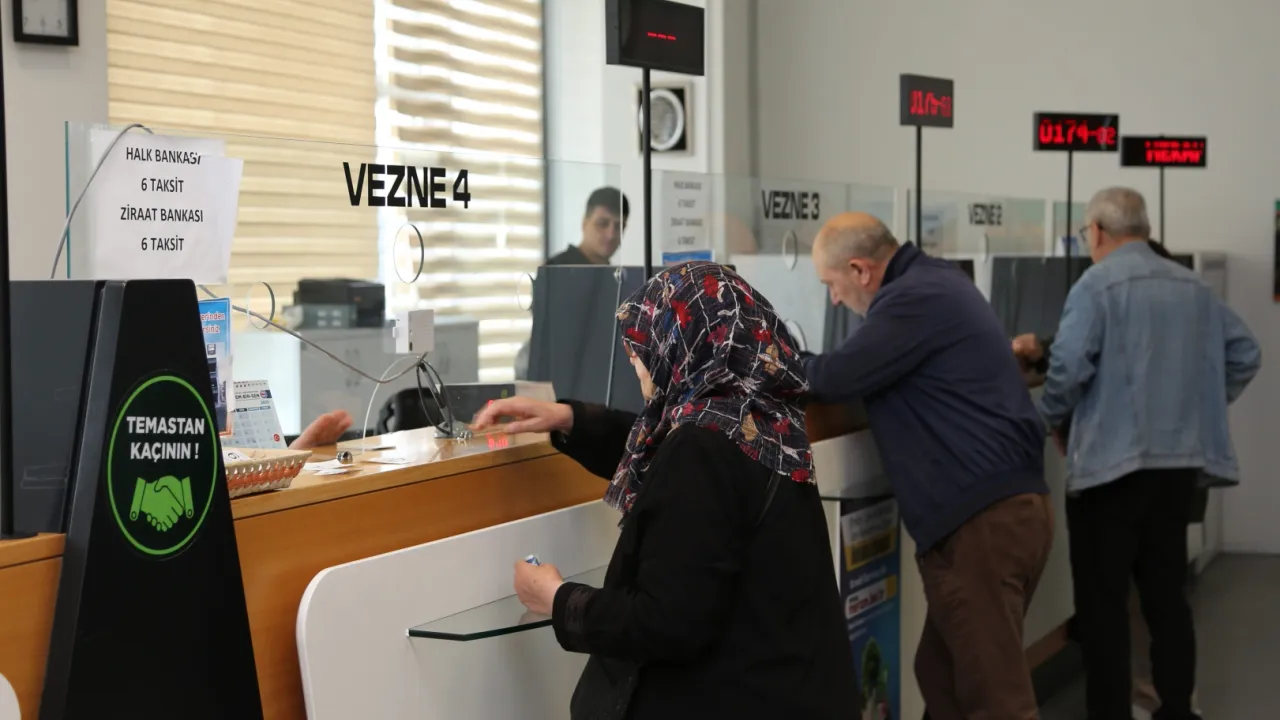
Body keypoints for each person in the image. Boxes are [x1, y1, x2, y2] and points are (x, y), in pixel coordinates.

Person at [473, 262, 856, 719]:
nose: (636, 358)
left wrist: (557, 598)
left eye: (645, 342)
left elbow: (667, 622)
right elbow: (668, 457)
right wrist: (569, 418)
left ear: (686, 340)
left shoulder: (702, 446)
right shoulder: (758, 418)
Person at [1015, 187, 1261, 720]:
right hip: (1178, 472)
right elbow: (1246, 353)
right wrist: (1199, 405)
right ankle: (1177, 709)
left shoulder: (1095, 285)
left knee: (1103, 606)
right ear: (1144, 230)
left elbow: (1068, 371)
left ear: (1098, 231)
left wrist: (1046, 420)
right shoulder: (1193, 286)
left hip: (1109, 473)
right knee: (1166, 597)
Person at [804, 212, 1053, 720]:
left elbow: (834, 376)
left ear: (860, 270)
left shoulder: (911, 300)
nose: (834, 301)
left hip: (982, 525)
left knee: (996, 701)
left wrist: (762, 359)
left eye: (831, 285)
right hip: (1001, 515)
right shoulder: (937, 282)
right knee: (941, 676)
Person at [547, 186, 630, 265]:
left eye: (619, 226)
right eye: (602, 224)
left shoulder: (616, 274)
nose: (611, 235)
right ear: (584, 224)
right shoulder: (554, 270)